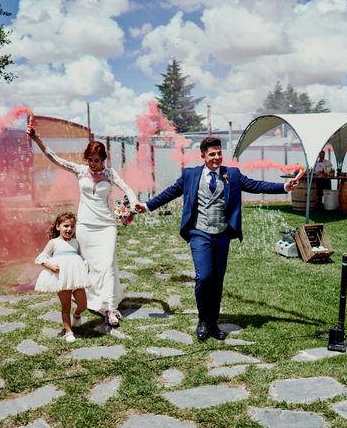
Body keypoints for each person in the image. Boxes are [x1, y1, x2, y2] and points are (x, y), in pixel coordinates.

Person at [135, 137, 299, 341]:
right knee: (204, 277)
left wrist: (284, 186)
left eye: (219, 153)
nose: (217, 157)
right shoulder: (190, 175)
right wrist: (148, 205)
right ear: (203, 155)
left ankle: (213, 322)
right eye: (212, 154)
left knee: (217, 279)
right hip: (199, 232)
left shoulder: (232, 174)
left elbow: (257, 185)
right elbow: (171, 192)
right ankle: (203, 320)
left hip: (222, 234)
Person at [29, 128, 139, 327]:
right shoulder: (80, 171)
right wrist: (37, 139)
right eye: (90, 160)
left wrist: (134, 203)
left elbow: (128, 190)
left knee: (107, 264)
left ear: (103, 159)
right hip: (86, 226)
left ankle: (109, 308)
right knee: (91, 265)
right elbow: (54, 158)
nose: (93, 164)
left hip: (106, 225)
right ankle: (92, 299)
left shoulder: (110, 174)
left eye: (96, 160)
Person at [34, 212, 90, 342]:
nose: (69, 229)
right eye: (65, 226)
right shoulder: (53, 243)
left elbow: (80, 257)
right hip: (62, 278)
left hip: (76, 277)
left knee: (83, 304)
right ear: (58, 227)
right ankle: (69, 332)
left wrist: (85, 264)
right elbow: (41, 257)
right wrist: (50, 266)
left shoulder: (76, 243)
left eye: (71, 226)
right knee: (66, 305)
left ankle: (77, 314)